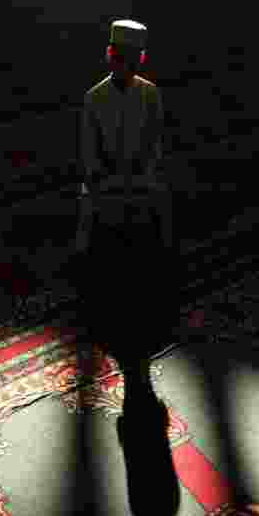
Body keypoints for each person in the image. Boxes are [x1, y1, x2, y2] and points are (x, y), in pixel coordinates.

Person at [75, 20, 177, 387]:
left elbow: (155, 144)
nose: (123, 66)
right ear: (109, 56)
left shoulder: (151, 94)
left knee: (155, 212)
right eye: (119, 58)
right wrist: (108, 177)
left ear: (140, 60)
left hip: (140, 179)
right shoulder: (94, 98)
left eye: (130, 61)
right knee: (94, 226)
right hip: (106, 181)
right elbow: (89, 153)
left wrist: (141, 175)